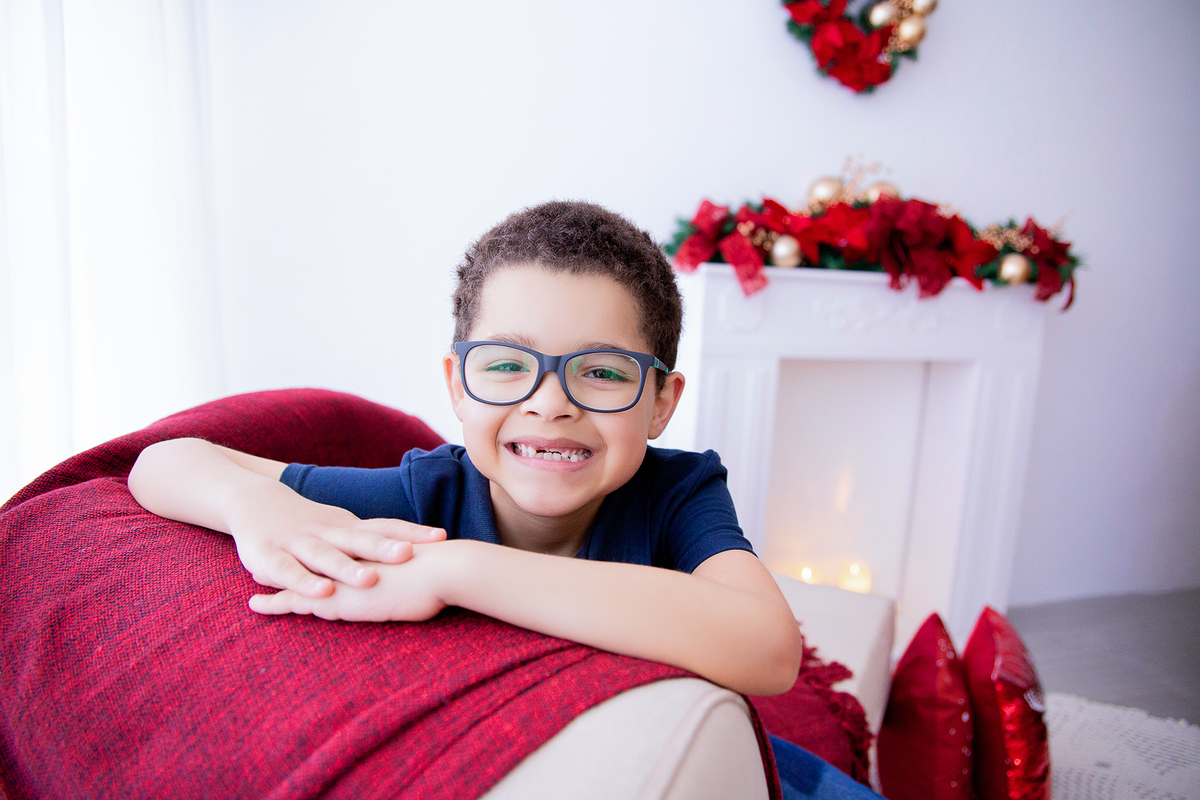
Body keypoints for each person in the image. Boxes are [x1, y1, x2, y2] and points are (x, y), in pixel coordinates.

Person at [128, 201, 881, 799]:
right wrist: (255, 506)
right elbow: (162, 462)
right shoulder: (426, 490)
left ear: (660, 403)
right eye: (506, 365)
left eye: (602, 373)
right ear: (457, 386)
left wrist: (455, 569)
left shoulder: (677, 493)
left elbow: (768, 648)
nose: (549, 403)